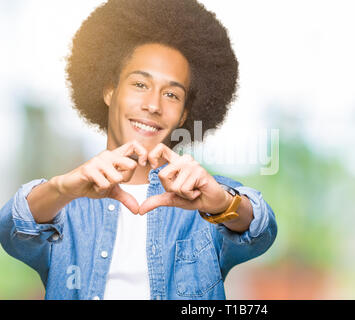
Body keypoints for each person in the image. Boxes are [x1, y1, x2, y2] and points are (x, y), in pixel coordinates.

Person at [0, 0, 277, 300]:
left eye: (171, 94)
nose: (154, 105)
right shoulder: (64, 202)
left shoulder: (205, 200)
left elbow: (261, 230)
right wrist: (63, 188)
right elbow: (13, 228)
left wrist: (223, 203)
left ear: (184, 115)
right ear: (109, 90)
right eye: (140, 85)